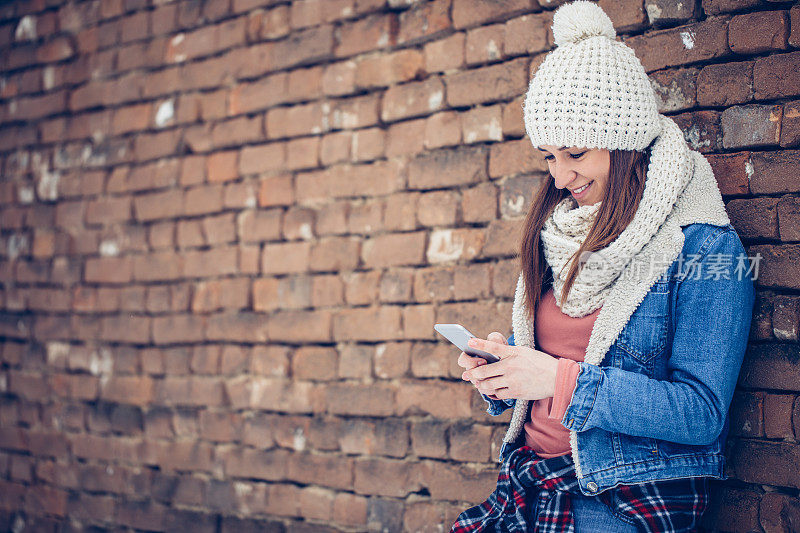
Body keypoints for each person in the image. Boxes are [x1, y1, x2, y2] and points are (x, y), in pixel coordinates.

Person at [451, 1, 756, 532]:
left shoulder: (706, 248)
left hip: (622, 496)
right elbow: (550, 371)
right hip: (528, 479)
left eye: (574, 153)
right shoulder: (560, 231)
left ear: (624, 144)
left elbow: (701, 413)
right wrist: (504, 373)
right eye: (548, 156)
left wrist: (558, 379)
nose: (561, 176)